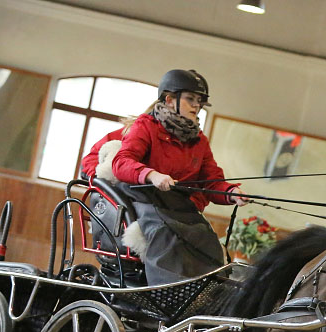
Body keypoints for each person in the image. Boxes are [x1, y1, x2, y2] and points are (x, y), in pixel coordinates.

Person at [92, 69, 250, 284]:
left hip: (176, 205)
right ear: (169, 99)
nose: (197, 106)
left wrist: (231, 193)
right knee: (164, 233)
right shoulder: (145, 126)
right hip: (142, 198)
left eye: (200, 102)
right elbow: (122, 162)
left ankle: (208, 291)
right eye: (191, 99)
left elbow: (211, 179)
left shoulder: (199, 141)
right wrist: (151, 175)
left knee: (208, 238)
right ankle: (165, 290)